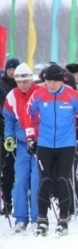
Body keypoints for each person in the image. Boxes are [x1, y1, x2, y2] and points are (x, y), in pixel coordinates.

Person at [24, 64, 78, 236]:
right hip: (44, 144)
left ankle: (63, 219)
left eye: (55, 81)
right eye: (48, 81)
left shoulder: (72, 95)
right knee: (45, 180)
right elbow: (27, 114)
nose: (51, 85)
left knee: (62, 179)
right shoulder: (38, 94)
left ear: (61, 81)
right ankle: (42, 219)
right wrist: (30, 137)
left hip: (66, 144)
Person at [3, 63, 44, 233]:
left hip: (39, 142)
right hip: (21, 144)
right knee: (20, 180)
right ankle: (21, 218)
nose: (23, 85)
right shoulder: (12, 95)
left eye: (25, 81)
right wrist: (9, 136)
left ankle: (36, 217)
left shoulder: (40, 93)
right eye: (19, 82)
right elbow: (9, 119)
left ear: (31, 79)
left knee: (36, 180)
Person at [0, 58, 20, 216]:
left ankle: (11, 201)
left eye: (14, 69)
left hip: (16, 131)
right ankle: (6, 201)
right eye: (9, 69)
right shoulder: (1, 85)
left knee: (12, 169)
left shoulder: (20, 86)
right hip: (2, 130)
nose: (11, 72)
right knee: (5, 168)